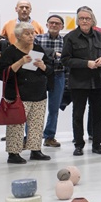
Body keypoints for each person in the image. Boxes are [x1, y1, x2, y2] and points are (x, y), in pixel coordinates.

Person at [0, 21, 51, 164]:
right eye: (27, 34)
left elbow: (50, 69)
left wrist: (43, 66)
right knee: (16, 124)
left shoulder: (38, 48)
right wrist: (20, 62)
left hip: (38, 93)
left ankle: (35, 150)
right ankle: (13, 153)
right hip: (17, 94)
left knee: (37, 123)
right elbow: (2, 74)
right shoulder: (10, 51)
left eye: (32, 33)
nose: (31, 36)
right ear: (18, 36)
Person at [61, 7, 101, 157]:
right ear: (77, 20)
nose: (84, 21)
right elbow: (65, 60)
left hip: (97, 82)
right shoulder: (70, 37)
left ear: (92, 20)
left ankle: (97, 144)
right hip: (79, 83)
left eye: (87, 18)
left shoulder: (99, 36)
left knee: (98, 115)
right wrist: (85, 63)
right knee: (78, 115)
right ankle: (78, 145)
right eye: (81, 18)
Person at [35, 15, 67, 148]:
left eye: (57, 23)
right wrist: (54, 54)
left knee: (54, 109)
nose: (54, 25)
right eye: (51, 23)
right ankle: (31, 137)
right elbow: (34, 56)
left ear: (62, 26)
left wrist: (47, 55)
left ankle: (49, 137)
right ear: (47, 25)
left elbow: (66, 60)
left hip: (58, 75)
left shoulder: (66, 41)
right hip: (39, 76)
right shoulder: (38, 38)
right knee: (35, 109)